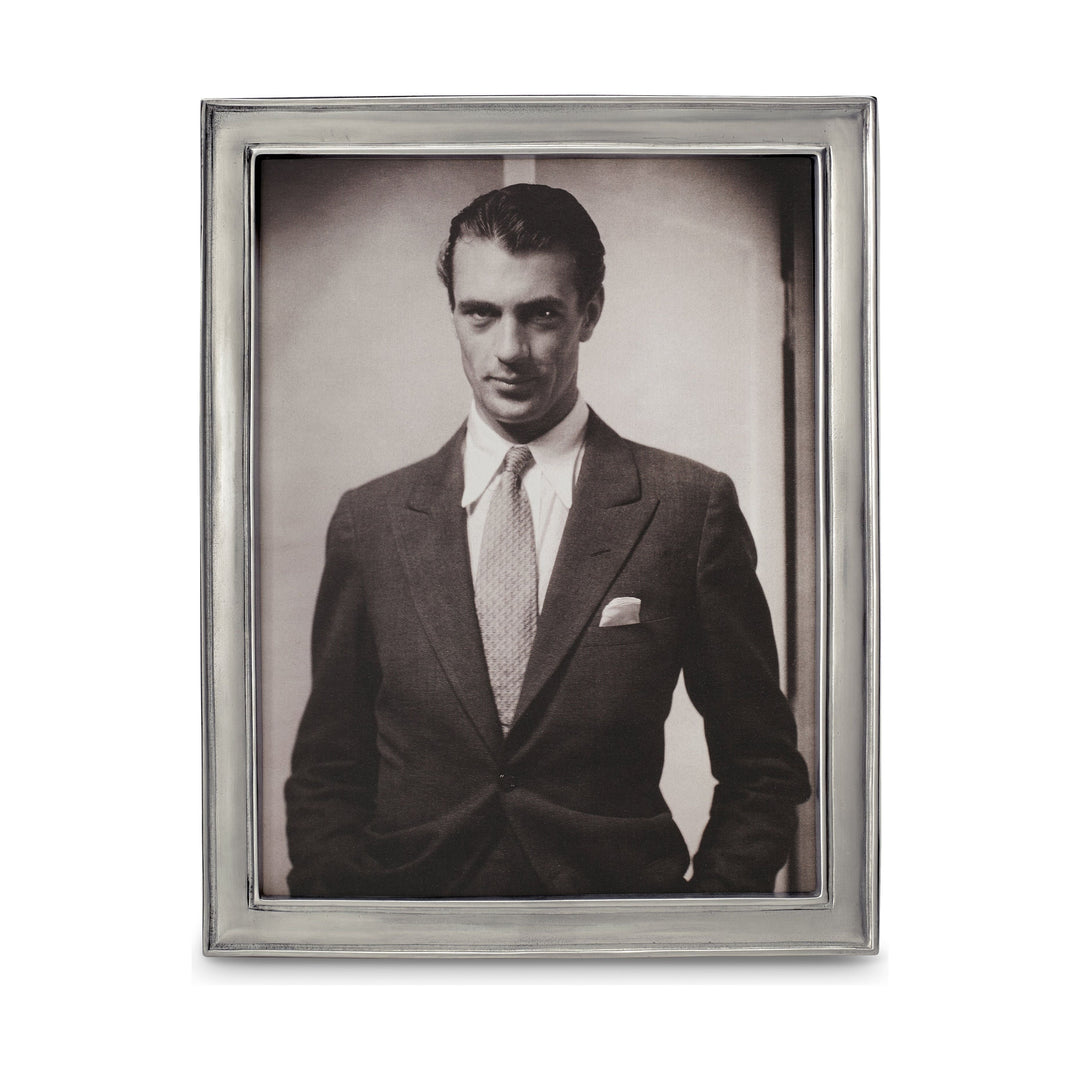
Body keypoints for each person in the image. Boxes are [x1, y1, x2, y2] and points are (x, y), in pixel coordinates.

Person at [285, 183, 811, 898]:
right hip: (415, 932)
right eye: (481, 313)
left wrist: (705, 922)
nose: (510, 350)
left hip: (615, 928)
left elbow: (763, 767)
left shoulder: (688, 508)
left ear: (589, 313)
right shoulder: (370, 521)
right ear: (453, 312)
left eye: (541, 314)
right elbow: (328, 771)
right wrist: (344, 926)